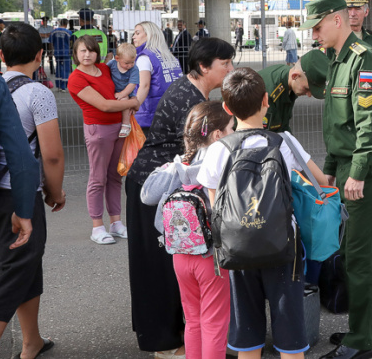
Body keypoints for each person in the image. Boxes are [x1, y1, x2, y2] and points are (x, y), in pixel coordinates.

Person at [197, 68, 326, 359]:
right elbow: (317, 181)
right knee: (292, 340)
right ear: (267, 100)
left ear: (227, 109)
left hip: (238, 250)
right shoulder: (285, 143)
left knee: (247, 340)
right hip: (282, 248)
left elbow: (216, 205)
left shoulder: (218, 150)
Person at [125, 37, 234, 357]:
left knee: (172, 268)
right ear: (203, 67)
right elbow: (207, 157)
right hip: (152, 188)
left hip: (165, 188)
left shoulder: (193, 91)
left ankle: (181, 338)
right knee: (157, 268)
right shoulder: (190, 101)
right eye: (224, 64)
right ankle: (164, 343)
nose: (230, 70)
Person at [303, 0, 372, 359]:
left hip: (363, 168)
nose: (314, 34)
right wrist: (328, 170)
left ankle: (361, 341)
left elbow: (371, 125)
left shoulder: (362, 58)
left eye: (318, 26)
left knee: (358, 256)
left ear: (337, 20)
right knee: (359, 252)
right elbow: (337, 124)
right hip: (344, 165)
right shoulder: (337, 59)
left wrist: (356, 173)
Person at [141, 101, 234, 359]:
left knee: (193, 320)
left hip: (180, 255)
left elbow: (146, 196)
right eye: (230, 129)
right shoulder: (221, 164)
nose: (233, 134)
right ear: (218, 135)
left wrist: (174, 169)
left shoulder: (179, 165)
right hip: (211, 258)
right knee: (215, 323)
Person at [0, 24, 58, 359]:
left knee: (20, 267)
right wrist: (55, 192)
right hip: (18, 194)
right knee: (15, 274)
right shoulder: (38, 93)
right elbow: (52, 154)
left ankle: (32, 342)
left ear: (1, 55)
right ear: (40, 55)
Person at [68, 35, 139, 244]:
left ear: (97, 52)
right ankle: (97, 226)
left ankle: (116, 223)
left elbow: (126, 81)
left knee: (115, 176)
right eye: (82, 51)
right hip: (98, 129)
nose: (87, 54)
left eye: (91, 50)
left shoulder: (106, 68)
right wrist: (132, 102)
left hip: (119, 128)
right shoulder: (76, 78)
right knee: (98, 179)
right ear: (76, 54)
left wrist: (130, 100)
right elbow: (105, 105)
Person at [258, 49, 329, 132]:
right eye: (307, 88)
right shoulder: (269, 94)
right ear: (295, 76)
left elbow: (283, 127)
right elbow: (260, 135)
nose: (309, 95)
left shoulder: (290, 81)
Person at [132, 21, 183, 130]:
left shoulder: (144, 58)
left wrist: (134, 107)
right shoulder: (170, 57)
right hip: (172, 113)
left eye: (137, 33)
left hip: (149, 115)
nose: (133, 37)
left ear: (149, 35)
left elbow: (144, 86)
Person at [107, 43, 140, 137]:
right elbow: (104, 71)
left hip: (127, 93)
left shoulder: (134, 69)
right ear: (117, 58)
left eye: (132, 62)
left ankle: (126, 124)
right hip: (114, 91)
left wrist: (122, 94)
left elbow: (132, 85)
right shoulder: (112, 64)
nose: (130, 65)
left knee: (125, 100)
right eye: (126, 63)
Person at [49, 19, 73, 91]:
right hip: (66, 52)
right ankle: (64, 87)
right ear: (66, 24)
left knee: (58, 67)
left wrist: (51, 51)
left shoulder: (53, 32)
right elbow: (71, 43)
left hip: (57, 52)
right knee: (66, 69)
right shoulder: (68, 32)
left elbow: (50, 42)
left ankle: (58, 85)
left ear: (60, 23)